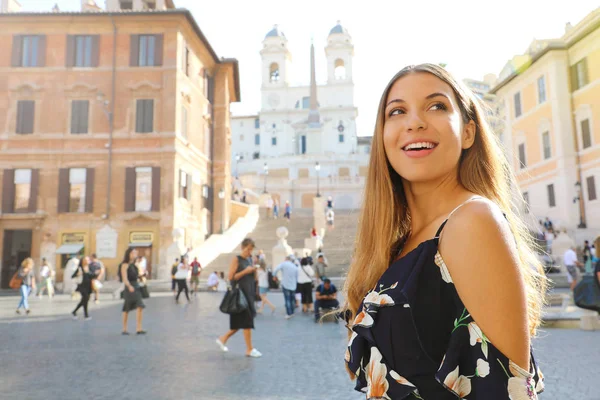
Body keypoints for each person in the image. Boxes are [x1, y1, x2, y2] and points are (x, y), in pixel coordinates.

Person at [342, 64, 545, 398]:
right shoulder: (398, 244)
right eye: (397, 111)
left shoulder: (472, 220)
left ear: (468, 132)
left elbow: (510, 391)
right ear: (382, 136)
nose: (414, 122)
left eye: (437, 106)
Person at [216, 238, 262, 358]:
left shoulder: (249, 259)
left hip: (249, 293)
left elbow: (252, 277)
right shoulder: (236, 259)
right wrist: (246, 271)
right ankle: (249, 349)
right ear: (243, 247)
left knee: (239, 322)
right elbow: (231, 277)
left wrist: (254, 271)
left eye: (251, 250)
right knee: (247, 322)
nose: (249, 252)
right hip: (241, 295)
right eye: (248, 249)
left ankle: (222, 339)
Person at [120, 247, 146, 335]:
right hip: (129, 287)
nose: (135, 254)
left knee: (140, 306)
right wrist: (129, 286)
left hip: (136, 286)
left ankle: (139, 328)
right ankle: (124, 328)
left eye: (135, 253)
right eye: (133, 253)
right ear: (129, 254)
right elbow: (124, 278)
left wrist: (142, 275)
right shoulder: (125, 265)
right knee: (127, 308)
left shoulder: (135, 265)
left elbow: (138, 275)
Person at [273, 254, 298, 319]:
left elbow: (276, 269)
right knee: (292, 299)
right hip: (293, 285)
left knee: (287, 299)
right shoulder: (294, 266)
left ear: (286, 259)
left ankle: (288, 313)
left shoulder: (283, 264)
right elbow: (297, 276)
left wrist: (274, 276)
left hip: (286, 284)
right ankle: (292, 312)